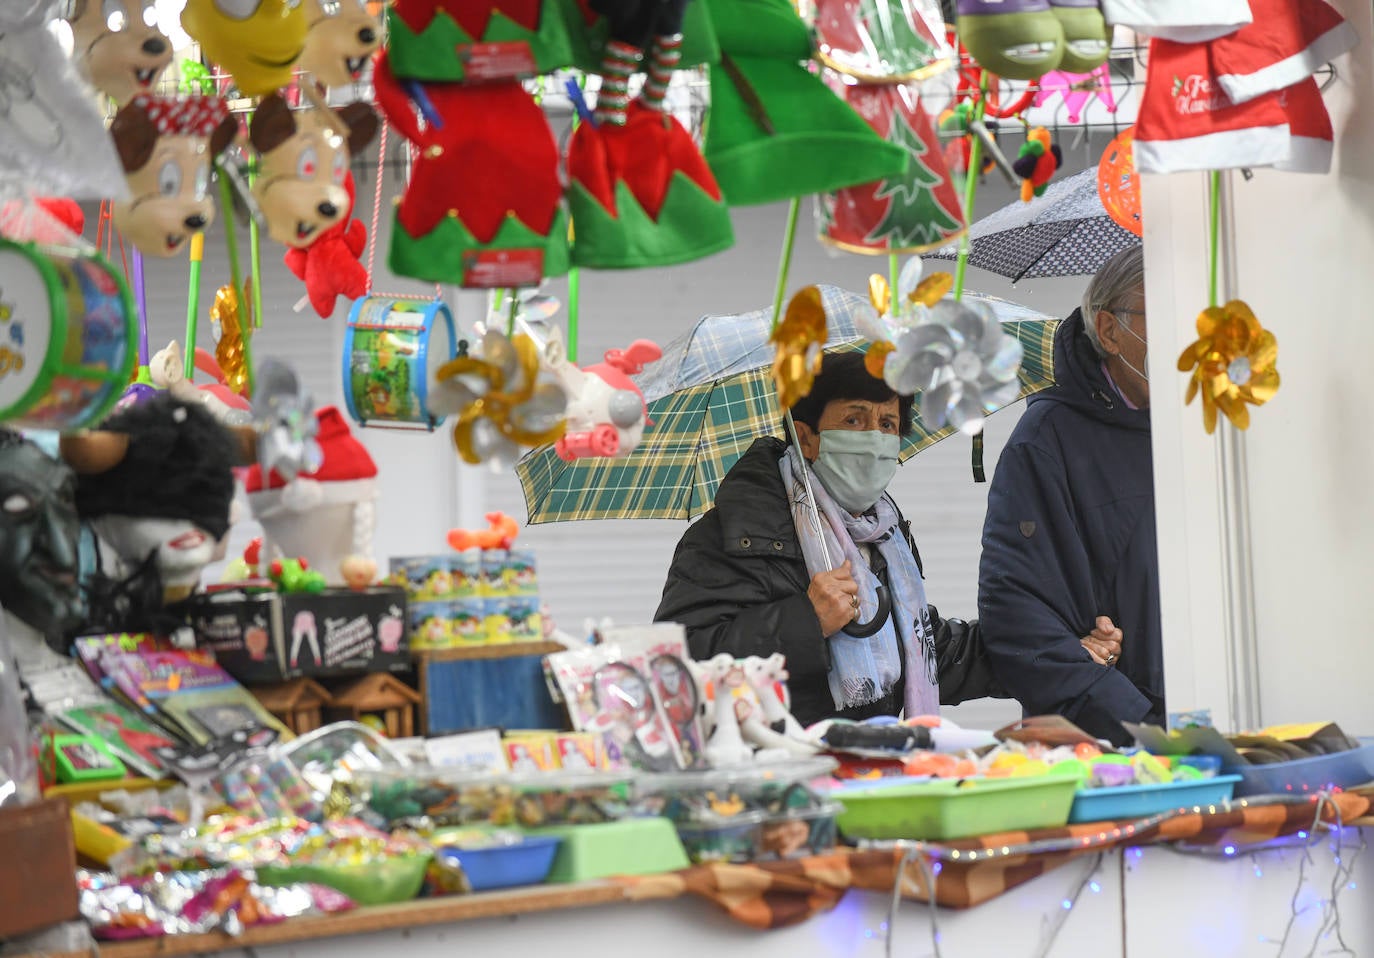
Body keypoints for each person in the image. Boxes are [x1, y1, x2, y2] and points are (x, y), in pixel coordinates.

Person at [656, 351, 1119, 727]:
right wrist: (804, 622)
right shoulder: (731, 534)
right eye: (854, 421)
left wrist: (1059, 652)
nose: (874, 438)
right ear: (806, 439)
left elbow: (932, 652)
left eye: (887, 425)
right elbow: (679, 667)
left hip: (870, 775)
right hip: (776, 785)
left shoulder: (885, 536)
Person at [978, 246, 1162, 746]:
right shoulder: (1047, 439)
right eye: (1166, 313)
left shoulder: (1206, 424)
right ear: (1109, 330)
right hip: (1113, 745)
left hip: (1223, 717)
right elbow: (1018, 618)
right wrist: (1139, 724)